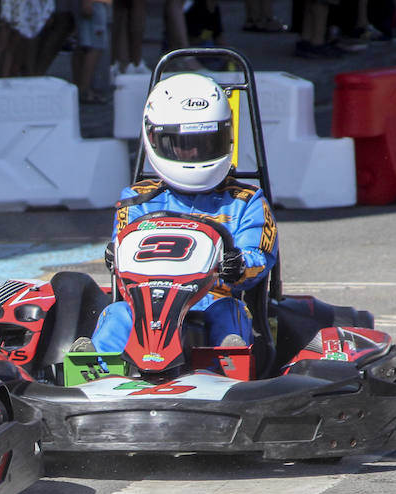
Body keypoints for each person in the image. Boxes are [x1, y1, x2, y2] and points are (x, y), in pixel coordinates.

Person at [91, 71, 277, 353]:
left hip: (215, 300)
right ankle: (97, 372)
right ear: (156, 139)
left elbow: (261, 257)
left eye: (204, 144)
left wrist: (237, 264)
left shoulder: (247, 201)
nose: (193, 154)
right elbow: (122, 258)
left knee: (229, 314)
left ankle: (227, 369)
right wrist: (114, 253)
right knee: (117, 315)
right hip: (148, 308)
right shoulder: (135, 201)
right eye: (182, 144)